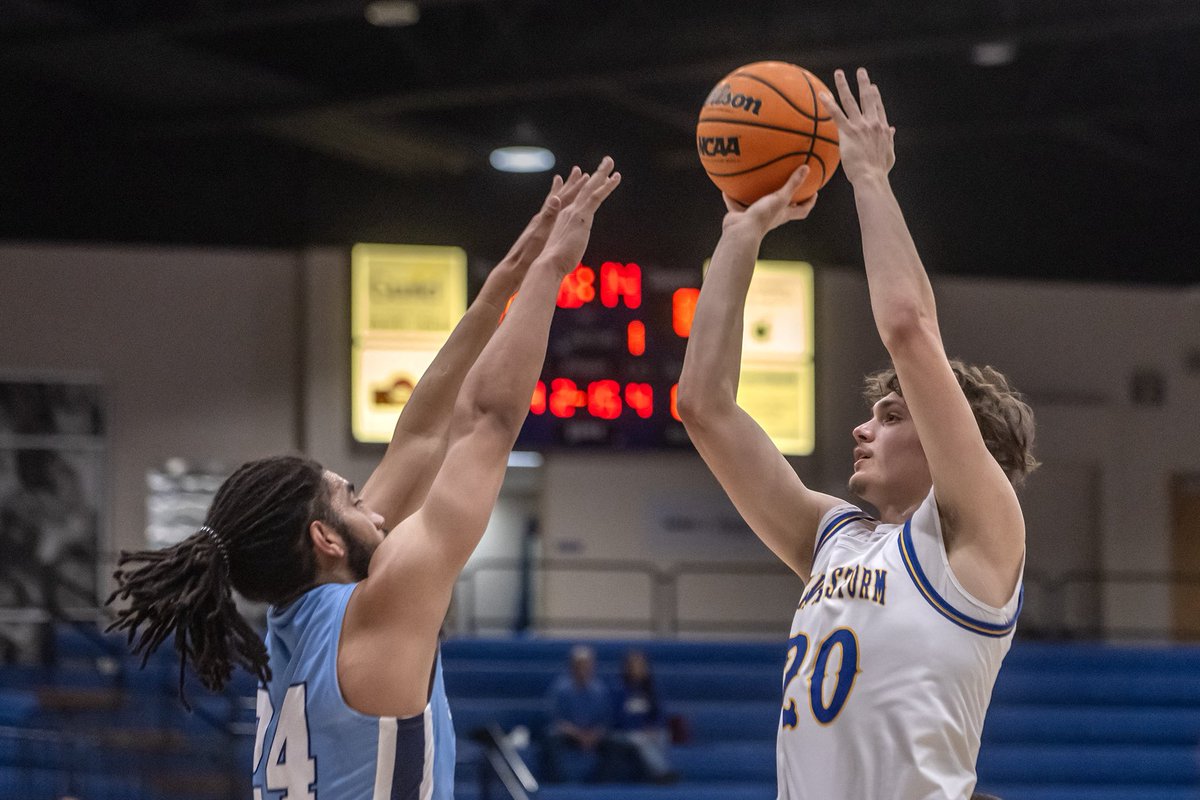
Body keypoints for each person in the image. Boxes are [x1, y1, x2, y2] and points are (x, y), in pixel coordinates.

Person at [105, 158, 621, 800]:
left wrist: (514, 270)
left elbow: (422, 437)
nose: (375, 510)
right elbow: (486, 420)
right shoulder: (383, 602)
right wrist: (552, 272)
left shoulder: (292, 625)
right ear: (323, 537)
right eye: (351, 497)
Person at [677, 67, 1037, 799]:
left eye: (892, 414)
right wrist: (739, 237)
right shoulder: (835, 539)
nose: (862, 428)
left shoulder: (978, 537)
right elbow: (703, 407)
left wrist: (868, 174)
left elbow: (908, 327)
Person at [542, 644, 614, 783]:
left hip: (593, 736)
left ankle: (603, 786)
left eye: (587, 665)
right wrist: (578, 734)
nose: (584, 669)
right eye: (580, 665)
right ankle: (558, 784)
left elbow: (605, 720)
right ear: (572, 666)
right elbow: (555, 720)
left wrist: (594, 735)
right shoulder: (560, 689)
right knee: (551, 738)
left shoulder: (600, 690)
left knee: (616, 743)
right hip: (568, 735)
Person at [611, 649, 677, 783]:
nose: (637, 669)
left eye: (640, 666)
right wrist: (640, 729)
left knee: (661, 735)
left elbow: (660, 715)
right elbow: (618, 718)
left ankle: (655, 775)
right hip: (624, 732)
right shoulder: (619, 690)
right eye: (634, 666)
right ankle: (663, 772)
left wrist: (653, 728)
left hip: (648, 730)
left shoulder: (652, 690)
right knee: (640, 739)